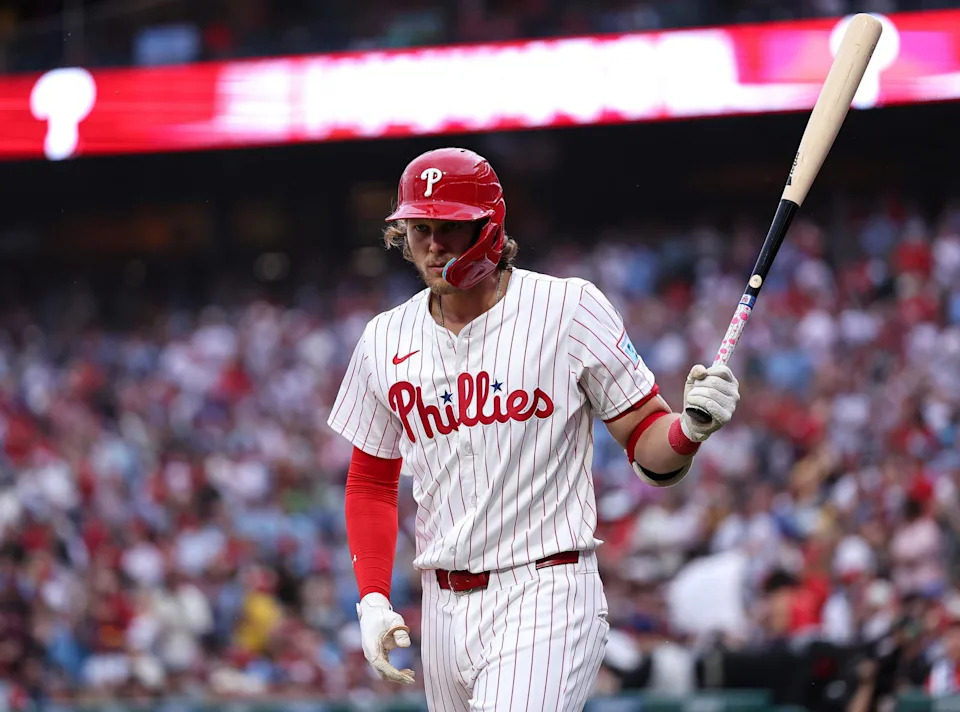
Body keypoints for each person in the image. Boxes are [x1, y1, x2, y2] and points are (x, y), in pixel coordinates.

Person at [327, 147, 741, 711]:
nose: (431, 244)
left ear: (489, 228)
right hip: (442, 605)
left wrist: (689, 430)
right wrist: (374, 598)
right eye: (418, 228)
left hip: (545, 589)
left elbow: (648, 444)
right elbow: (370, 484)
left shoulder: (568, 308)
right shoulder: (384, 338)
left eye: (448, 226)